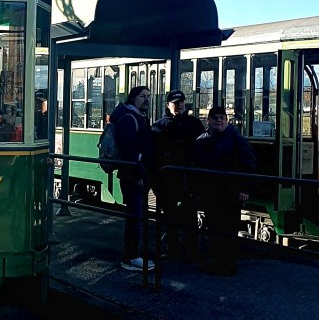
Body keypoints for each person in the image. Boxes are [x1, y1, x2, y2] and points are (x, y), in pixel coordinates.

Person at [192, 105, 257, 275]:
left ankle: (227, 264)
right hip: (211, 191)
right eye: (215, 118)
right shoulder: (202, 140)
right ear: (209, 121)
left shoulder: (236, 139)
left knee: (228, 227)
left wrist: (245, 189)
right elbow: (195, 165)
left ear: (227, 121)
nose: (219, 121)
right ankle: (219, 262)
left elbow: (249, 165)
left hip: (230, 191)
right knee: (214, 227)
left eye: (222, 118)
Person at [151, 90, 205, 261]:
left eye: (181, 102)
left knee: (189, 214)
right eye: (175, 102)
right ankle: (174, 249)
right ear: (168, 105)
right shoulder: (159, 126)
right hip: (168, 179)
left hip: (187, 178)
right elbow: (153, 155)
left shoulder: (194, 124)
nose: (179, 105)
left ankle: (191, 250)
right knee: (169, 215)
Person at [109, 85, 156, 272]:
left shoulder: (136, 116)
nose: (146, 100)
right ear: (133, 98)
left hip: (137, 173)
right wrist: (136, 173)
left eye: (148, 96)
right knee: (135, 216)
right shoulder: (130, 118)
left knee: (137, 215)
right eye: (142, 96)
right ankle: (130, 257)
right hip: (133, 175)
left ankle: (134, 254)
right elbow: (129, 150)